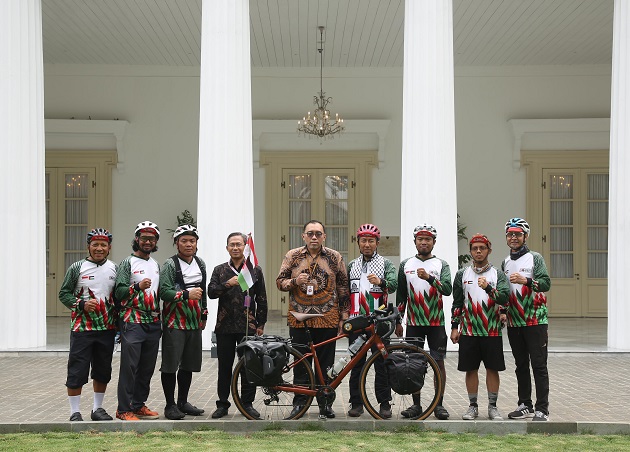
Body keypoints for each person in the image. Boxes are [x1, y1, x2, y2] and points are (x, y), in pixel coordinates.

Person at [276, 220, 350, 419]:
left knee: (325, 364)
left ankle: (325, 404)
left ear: (324, 236)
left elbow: (343, 288)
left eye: (318, 233)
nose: (314, 237)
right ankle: (300, 403)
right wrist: (294, 281)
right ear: (303, 236)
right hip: (300, 319)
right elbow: (279, 282)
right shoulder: (292, 256)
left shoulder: (335, 257)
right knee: (301, 362)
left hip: (328, 318)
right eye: (310, 233)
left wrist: (344, 317)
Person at [59, 228, 117, 422]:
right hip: (82, 329)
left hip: (107, 329)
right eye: (95, 245)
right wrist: (81, 304)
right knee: (77, 370)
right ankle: (74, 412)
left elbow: (117, 297)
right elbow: (64, 294)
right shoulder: (77, 267)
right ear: (88, 247)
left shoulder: (114, 269)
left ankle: (97, 409)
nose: (99, 248)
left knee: (102, 371)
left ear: (109, 247)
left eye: (103, 245)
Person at [207, 232, 268, 419]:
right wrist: (227, 284)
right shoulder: (220, 270)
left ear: (244, 247)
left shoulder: (254, 270)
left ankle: (246, 403)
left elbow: (262, 298)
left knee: (248, 366)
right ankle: (222, 404)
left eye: (239, 244)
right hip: (224, 326)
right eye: (232, 245)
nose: (235, 248)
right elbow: (211, 292)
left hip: (247, 327)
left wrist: (261, 322)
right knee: (224, 367)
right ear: (227, 248)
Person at [450, 234, 510, 420]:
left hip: (491, 331)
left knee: (492, 369)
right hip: (469, 330)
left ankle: (493, 407)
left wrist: (489, 288)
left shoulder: (497, 274)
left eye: (482, 248)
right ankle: (472, 406)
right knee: (471, 369)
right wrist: (454, 327)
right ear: (470, 252)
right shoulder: (462, 274)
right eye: (474, 248)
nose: (478, 251)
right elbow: (457, 303)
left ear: (489, 250)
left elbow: (504, 298)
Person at [396, 223, 452, 420]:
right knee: (413, 364)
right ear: (415, 242)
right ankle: (416, 405)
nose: (424, 242)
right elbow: (401, 296)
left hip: (436, 323)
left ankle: (439, 404)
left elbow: (447, 289)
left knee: (438, 363)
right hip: (413, 323)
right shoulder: (406, 264)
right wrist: (398, 321)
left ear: (434, 242)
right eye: (420, 239)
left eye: (428, 239)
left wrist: (429, 278)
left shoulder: (441, 264)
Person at [502, 218, 551, 422]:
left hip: (535, 321)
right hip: (514, 322)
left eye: (518, 234)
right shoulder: (505, 262)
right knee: (520, 365)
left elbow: (546, 283)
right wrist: (503, 310)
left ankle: (542, 409)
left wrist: (527, 281)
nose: (514, 237)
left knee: (538, 365)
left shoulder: (535, 258)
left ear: (525, 236)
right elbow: (505, 291)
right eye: (510, 234)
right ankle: (525, 405)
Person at [346, 224, 397, 418]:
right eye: (363, 240)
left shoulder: (386, 264)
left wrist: (382, 282)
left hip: (379, 324)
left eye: (371, 241)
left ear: (377, 243)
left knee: (382, 365)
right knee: (355, 363)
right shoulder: (352, 265)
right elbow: (345, 292)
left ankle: (384, 404)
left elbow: (393, 286)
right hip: (357, 322)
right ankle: (356, 403)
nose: (367, 244)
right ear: (358, 242)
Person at [114, 221, 162, 421]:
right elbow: (118, 292)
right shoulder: (127, 263)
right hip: (132, 319)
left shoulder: (155, 264)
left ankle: (139, 404)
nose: (148, 241)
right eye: (144, 238)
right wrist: (137, 287)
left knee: (147, 366)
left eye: (151, 238)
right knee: (130, 366)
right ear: (137, 240)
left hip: (153, 321)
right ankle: (123, 409)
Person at [159, 225, 208, 420]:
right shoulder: (170, 265)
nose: (188, 244)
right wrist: (185, 294)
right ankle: (169, 405)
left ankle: (183, 401)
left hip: (194, 322)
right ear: (176, 243)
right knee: (171, 364)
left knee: (188, 364)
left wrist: (203, 314)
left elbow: (202, 292)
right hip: (175, 321)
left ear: (196, 244)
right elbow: (163, 292)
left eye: (192, 241)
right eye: (184, 241)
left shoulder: (200, 263)